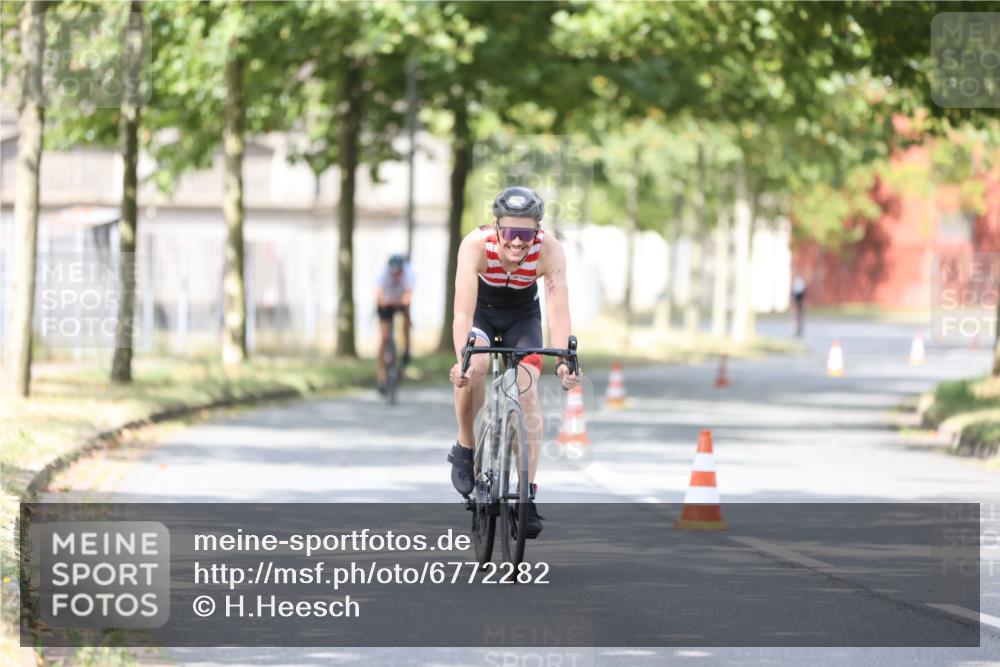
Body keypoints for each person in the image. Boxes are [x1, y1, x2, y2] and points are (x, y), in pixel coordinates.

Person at [447, 185, 579, 538]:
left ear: (537, 230)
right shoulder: (475, 245)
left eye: (526, 233)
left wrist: (565, 359)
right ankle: (464, 444)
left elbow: (558, 309)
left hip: (523, 318)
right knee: (473, 369)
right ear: (496, 228)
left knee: (527, 391)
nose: (518, 242)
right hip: (482, 314)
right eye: (510, 233)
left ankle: (527, 495)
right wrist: (463, 358)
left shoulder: (548, 251)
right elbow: (461, 312)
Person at [376, 254, 414, 393]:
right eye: (394, 273)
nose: (396, 276)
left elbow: (408, 297)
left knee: (406, 322)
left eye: (398, 273)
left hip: (400, 302)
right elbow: (379, 297)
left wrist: (402, 301)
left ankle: (407, 348)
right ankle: (382, 374)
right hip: (386, 304)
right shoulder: (382, 275)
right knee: (384, 337)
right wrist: (386, 301)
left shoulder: (409, 274)